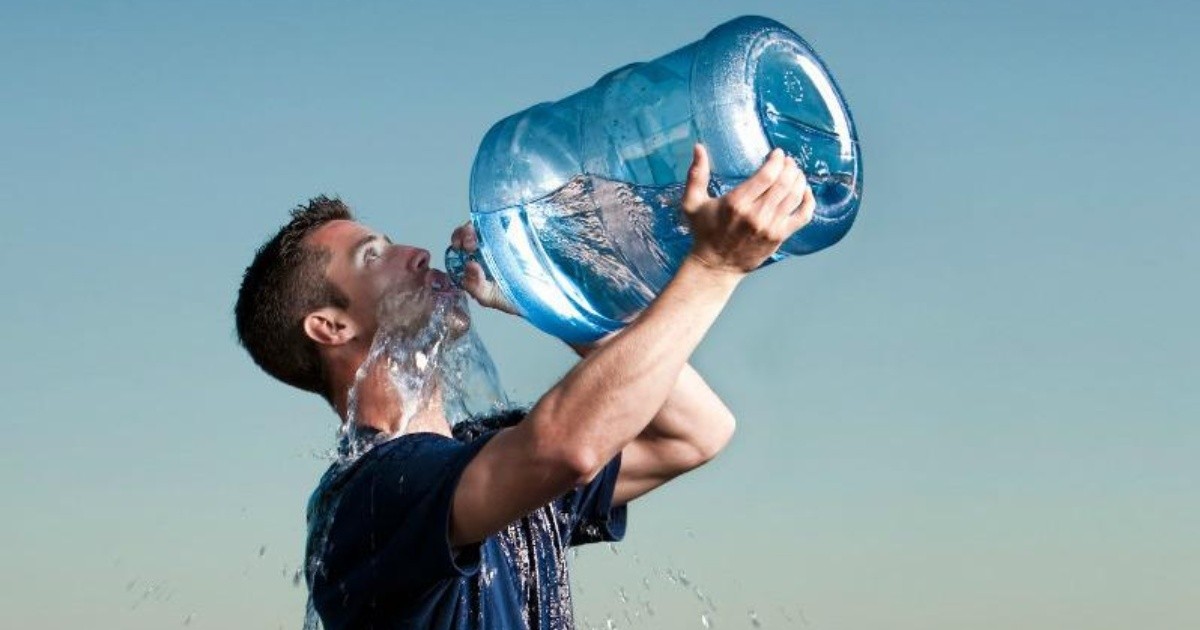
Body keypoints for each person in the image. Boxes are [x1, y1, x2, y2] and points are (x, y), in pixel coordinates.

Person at [234, 145, 815, 629]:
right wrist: (713, 267)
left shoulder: (485, 460)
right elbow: (565, 448)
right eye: (374, 255)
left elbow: (694, 432)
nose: (413, 253)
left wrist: (550, 298)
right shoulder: (371, 493)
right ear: (331, 326)